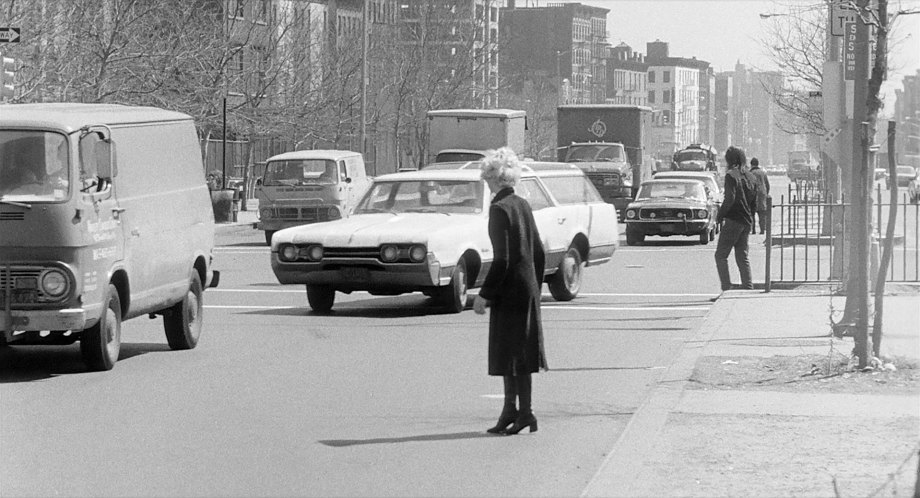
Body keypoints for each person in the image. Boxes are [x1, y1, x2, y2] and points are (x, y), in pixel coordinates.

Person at [473, 147, 548, 436]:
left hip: (509, 291)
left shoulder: (499, 209)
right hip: (526, 288)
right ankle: (514, 412)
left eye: (486, 178)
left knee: (509, 354)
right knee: (519, 355)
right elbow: (538, 251)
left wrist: (485, 294)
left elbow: (502, 259)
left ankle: (521, 412)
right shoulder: (522, 204)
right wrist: (535, 285)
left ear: (493, 178)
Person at [714, 146, 758, 294]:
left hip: (734, 219)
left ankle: (726, 288)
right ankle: (748, 286)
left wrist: (720, 216)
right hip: (746, 220)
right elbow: (754, 202)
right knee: (742, 255)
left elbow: (730, 198)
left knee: (721, 255)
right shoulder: (751, 176)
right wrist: (751, 219)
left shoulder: (731, 175)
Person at [748, 157, 771, 235]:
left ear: (751, 164)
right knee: (762, 213)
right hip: (762, 194)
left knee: (752, 213)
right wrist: (766, 193)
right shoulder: (763, 172)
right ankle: (762, 230)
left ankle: (753, 229)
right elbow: (767, 184)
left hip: (753, 194)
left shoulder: (750, 173)